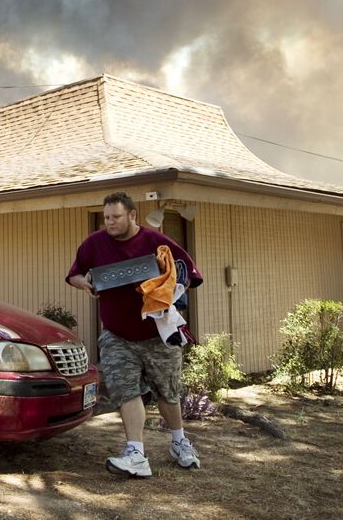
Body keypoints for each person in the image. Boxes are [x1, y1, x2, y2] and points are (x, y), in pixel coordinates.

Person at [66, 191, 203, 478]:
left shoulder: (156, 241)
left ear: (132, 215)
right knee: (124, 389)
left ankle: (179, 442)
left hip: (157, 333)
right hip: (116, 335)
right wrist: (85, 283)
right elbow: (74, 274)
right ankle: (136, 454)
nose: (110, 222)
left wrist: (171, 287)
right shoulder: (94, 243)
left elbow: (189, 274)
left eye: (115, 217)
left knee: (168, 392)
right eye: (106, 218)